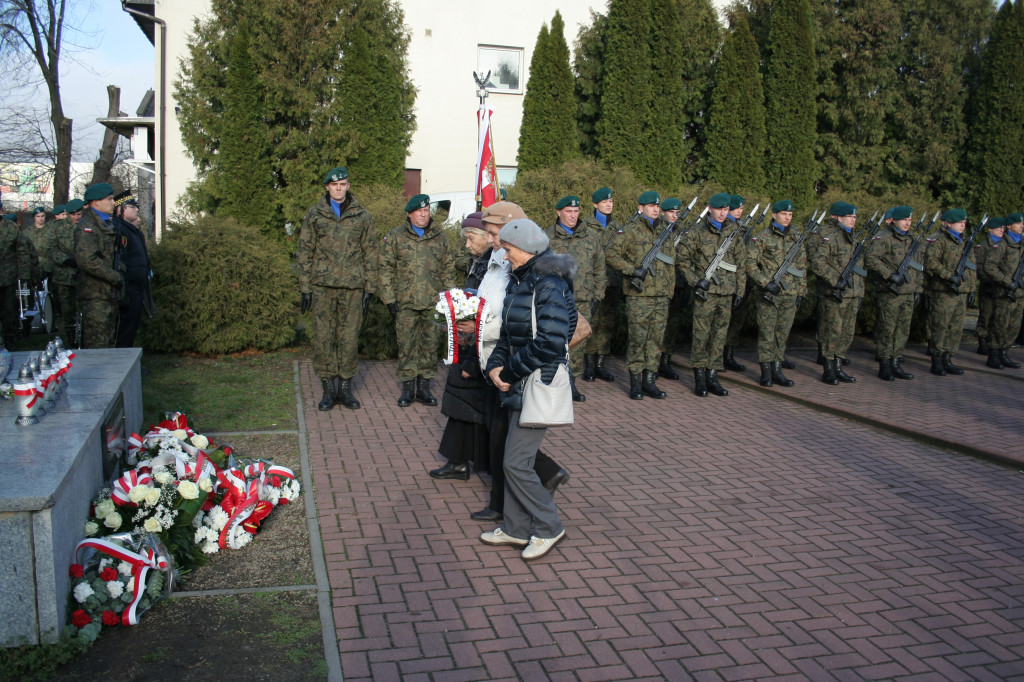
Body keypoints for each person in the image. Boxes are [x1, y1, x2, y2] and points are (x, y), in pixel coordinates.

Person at [482, 218, 574, 561]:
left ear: (525, 249)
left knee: (517, 463)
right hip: (519, 381)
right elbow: (509, 333)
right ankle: (516, 528)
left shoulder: (548, 283)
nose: (504, 256)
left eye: (507, 249)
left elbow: (552, 340)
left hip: (537, 382)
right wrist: (496, 366)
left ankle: (549, 527)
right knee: (513, 461)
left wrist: (510, 370)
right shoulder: (523, 280)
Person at [297, 166, 377, 410]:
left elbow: (371, 251)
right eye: (334, 185)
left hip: (352, 287)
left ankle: (345, 389)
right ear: (327, 188)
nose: (339, 188)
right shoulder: (315, 214)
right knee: (324, 339)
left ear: (348, 186)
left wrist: (369, 288)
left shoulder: (362, 215)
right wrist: (305, 288)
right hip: (322, 286)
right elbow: (304, 251)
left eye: (343, 184)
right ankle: (328, 391)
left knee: (349, 339)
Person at [379, 193, 457, 407]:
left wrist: (448, 298)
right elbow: (385, 267)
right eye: (419, 211)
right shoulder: (395, 236)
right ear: (409, 214)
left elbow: (448, 268)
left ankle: (424, 388)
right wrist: (388, 298)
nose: (423, 215)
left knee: (430, 345)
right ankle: (407, 389)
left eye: (426, 211)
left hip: (433, 303)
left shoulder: (440, 237)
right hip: (405, 302)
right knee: (406, 345)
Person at [430, 213, 492, 481]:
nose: (467, 245)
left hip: (480, 345)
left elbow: (489, 310)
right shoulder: (478, 262)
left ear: (487, 237)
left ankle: (476, 461)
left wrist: (471, 356)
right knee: (461, 402)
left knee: (473, 404)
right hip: (468, 342)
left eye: (470, 238)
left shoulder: (492, 266)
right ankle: (459, 460)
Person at [605, 191, 679, 400]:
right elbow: (610, 254)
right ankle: (635, 382)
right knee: (638, 340)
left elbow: (671, 262)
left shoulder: (665, 231)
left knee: (655, 341)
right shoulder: (630, 231)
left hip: (661, 296)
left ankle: (650, 381)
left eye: (657, 206)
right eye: (650, 206)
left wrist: (669, 291)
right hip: (639, 296)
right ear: (641, 208)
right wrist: (631, 270)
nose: (656, 209)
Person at [681, 192, 747, 397]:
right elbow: (682, 259)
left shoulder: (734, 232)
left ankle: (713, 376)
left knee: (719, 336)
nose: (722, 213)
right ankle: (700, 378)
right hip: (705, 293)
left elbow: (741, 264)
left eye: (726, 209)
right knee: (701, 336)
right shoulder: (698, 232)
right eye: (719, 209)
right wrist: (695, 281)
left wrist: (740, 290)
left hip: (726, 293)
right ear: (710, 209)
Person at [544, 195, 606, 402]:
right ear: (558, 212)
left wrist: (597, 295)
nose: (573, 216)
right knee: (553, 341)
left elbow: (599, 268)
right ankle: (552, 382)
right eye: (569, 212)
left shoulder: (590, 236)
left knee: (577, 344)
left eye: (576, 212)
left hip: (582, 299)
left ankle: (572, 384)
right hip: (555, 300)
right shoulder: (547, 237)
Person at [747, 199, 806, 387]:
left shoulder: (797, 237)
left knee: (782, 334)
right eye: (783, 214)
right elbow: (749, 263)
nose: (787, 217)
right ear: (774, 215)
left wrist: (801, 291)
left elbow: (802, 266)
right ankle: (765, 372)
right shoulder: (762, 237)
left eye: (790, 215)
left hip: (790, 294)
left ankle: (777, 370)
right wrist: (765, 283)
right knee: (767, 333)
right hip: (769, 295)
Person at [808, 201, 863, 384]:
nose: (853, 220)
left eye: (854, 217)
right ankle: (829, 369)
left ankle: (838, 366)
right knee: (833, 332)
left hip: (852, 294)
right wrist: (835, 281)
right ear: (839, 218)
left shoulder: (854, 239)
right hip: (835, 294)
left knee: (847, 333)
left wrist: (860, 292)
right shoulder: (831, 238)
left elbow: (859, 269)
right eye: (849, 217)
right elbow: (818, 262)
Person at [865, 205, 920, 380]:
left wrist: (918, 289)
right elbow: (871, 259)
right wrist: (890, 275)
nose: (907, 223)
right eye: (904, 220)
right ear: (894, 220)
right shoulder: (884, 237)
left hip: (908, 292)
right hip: (890, 292)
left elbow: (918, 266)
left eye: (910, 220)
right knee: (887, 329)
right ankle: (885, 364)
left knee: (902, 330)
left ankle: (896, 362)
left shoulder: (912, 238)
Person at [923, 208, 977, 376]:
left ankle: (948, 357)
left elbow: (971, 267)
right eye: (959, 222)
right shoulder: (938, 239)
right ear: (947, 223)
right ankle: (937, 359)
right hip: (943, 291)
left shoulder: (965, 242)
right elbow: (931, 262)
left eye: (964, 222)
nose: (963, 225)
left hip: (961, 291)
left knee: (955, 327)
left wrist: (972, 288)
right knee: (940, 325)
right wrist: (949, 276)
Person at [579, 187, 620, 382]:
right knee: (591, 322)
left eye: (610, 201)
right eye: (604, 202)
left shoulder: (618, 228)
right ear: (595, 204)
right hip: (592, 283)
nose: (608, 204)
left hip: (612, 282)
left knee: (606, 324)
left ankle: (601, 364)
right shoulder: (585, 226)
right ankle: (588, 365)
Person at [75, 183, 123, 348]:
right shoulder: (88, 226)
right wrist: (114, 276)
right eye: (109, 199)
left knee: (108, 340)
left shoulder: (105, 223)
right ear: (96, 202)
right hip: (95, 293)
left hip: (107, 292)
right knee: (97, 344)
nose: (113, 203)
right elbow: (87, 260)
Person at [112, 192, 154, 348]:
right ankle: (122, 366)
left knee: (131, 329)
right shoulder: (120, 230)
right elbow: (120, 260)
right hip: (127, 288)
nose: (137, 210)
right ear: (120, 209)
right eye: (133, 207)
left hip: (136, 287)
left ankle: (129, 364)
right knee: (123, 330)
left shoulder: (130, 229)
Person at [982, 213, 1023, 369]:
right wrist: (1007, 282)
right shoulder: (1002, 244)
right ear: (1009, 226)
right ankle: (994, 355)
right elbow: (989, 266)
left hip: (1019, 293)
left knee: (1014, 326)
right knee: (1000, 324)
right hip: (1004, 292)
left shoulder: (1022, 243)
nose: (1022, 226)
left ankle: (1004, 354)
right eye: (1018, 223)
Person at [46, 198, 83, 342]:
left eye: (79, 214)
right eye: (73, 214)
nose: (76, 217)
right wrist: (66, 260)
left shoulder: (87, 226)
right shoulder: (57, 228)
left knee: (84, 309)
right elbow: (51, 248)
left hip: (85, 275)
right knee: (68, 310)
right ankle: (71, 338)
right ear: (68, 214)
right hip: (64, 275)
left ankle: (84, 337)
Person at [723, 195, 750, 372]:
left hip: (740, 279)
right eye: (736, 208)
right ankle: (717, 357)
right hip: (725, 281)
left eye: (741, 208)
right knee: (721, 323)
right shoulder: (727, 227)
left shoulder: (744, 228)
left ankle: (729, 354)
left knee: (736, 321)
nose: (740, 211)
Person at [974, 217, 1003, 362]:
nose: (1001, 230)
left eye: (1003, 228)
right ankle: (982, 340)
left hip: (1000, 287)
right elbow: (979, 266)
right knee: (986, 314)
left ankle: (992, 341)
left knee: (997, 317)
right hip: (988, 286)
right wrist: (989, 280)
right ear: (991, 229)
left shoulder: (1003, 245)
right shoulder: (984, 245)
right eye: (999, 228)